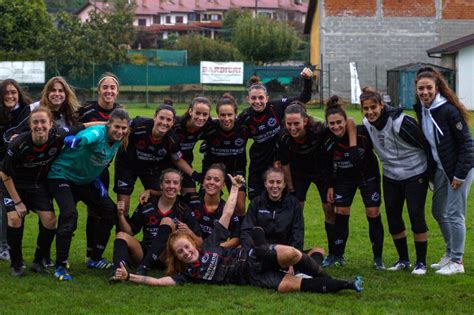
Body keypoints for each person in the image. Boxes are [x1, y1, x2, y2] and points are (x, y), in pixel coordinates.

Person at [112, 174, 363, 295]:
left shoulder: (208, 243)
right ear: (176, 258)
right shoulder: (185, 275)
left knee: (291, 253)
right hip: (250, 278)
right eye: (181, 252)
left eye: (187, 247)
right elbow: (156, 282)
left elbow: (227, 213)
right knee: (291, 286)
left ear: (192, 243)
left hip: (252, 258)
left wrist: (235, 188)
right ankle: (347, 285)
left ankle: (316, 268)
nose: (187, 252)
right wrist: (129, 277)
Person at [0, 107, 99, 276]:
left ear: (51, 124)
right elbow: (4, 174)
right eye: (35, 122)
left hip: (37, 185)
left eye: (43, 122)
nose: (40, 126)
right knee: (15, 219)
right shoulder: (18, 144)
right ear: (30, 125)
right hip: (13, 185)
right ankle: (16, 263)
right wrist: (18, 202)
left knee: (50, 220)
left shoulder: (58, 135)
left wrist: (110, 123)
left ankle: (39, 261)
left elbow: (84, 126)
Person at [47, 108, 130, 281]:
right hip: (61, 175)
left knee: (110, 211)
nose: (120, 131)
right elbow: (88, 137)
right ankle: (60, 266)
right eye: (117, 127)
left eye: (124, 128)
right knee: (69, 215)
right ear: (108, 125)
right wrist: (77, 140)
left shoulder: (118, 139)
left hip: (85, 181)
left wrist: (95, 179)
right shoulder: (98, 132)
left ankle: (95, 258)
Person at [360, 87, 429, 275]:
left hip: (415, 173)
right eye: (365, 108)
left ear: (382, 105)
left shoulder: (400, 122)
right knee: (393, 217)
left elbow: (425, 144)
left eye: (373, 107)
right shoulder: (366, 124)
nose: (370, 112)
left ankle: (421, 263)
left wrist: (431, 174)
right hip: (390, 175)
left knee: (416, 214)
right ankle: (403, 260)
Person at [277, 102, 356, 262]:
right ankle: (293, 250)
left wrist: (331, 184)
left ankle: (335, 254)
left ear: (305, 121)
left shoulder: (318, 130)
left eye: (296, 123)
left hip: (322, 172)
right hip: (299, 174)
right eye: (289, 123)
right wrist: (290, 187)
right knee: (296, 210)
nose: (292, 128)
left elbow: (350, 120)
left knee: (328, 208)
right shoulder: (284, 136)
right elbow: (285, 164)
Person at [413, 67, 474, 275]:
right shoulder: (421, 109)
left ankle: (457, 261)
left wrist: (459, 175)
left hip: (459, 169)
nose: (425, 92)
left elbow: (467, 145)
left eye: (429, 88)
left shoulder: (449, 110)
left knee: (455, 213)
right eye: (421, 88)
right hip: (441, 167)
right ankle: (449, 254)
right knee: (438, 210)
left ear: (437, 88)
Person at [323, 96, 385, 269]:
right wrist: (329, 185)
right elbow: (326, 165)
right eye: (332, 123)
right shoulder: (327, 140)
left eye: (339, 122)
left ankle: (378, 259)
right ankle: (338, 255)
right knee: (341, 212)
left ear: (345, 121)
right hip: (344, 178)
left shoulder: (362, 133)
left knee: (373, 212)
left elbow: (353, 122)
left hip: (368, 176)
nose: (336, 126)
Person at [238, 68, 313, 200]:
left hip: (280, 162)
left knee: (280, 201)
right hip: (258, 164)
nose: (257, 101)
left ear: (267, 98)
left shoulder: (276, 107)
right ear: (248, 99)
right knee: (255, 201)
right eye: (253, 98)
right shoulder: (245, 116)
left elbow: (304, 98)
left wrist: (308, 79)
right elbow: (230, 129)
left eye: (261, 97)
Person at [114, 104, 200, 216]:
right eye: (161, 118)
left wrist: (195, 175)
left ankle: (152, 229)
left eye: (168, 120)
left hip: (150, 169)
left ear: (173, 122)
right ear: (155, 116)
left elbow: (177, 160)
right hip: (126, 166)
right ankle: (122, 233)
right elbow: (115, 125)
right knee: (123, 207)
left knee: (159, 197)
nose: (164, 122)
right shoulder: (139, 124)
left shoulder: (173, 139)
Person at [117, 169, 202, 276]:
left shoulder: (184, 209)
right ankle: (117, 271)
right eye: (167, 182)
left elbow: (200, 242)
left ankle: (144, 267)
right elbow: (130, 232)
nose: (171, 186)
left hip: (166, 255)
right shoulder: (147, 204)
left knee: (167, 220)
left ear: (180, 188)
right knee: (121, 235)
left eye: (175, 183)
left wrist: (189, 231)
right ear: (161, 185)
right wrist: (120, 215)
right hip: (145, 251)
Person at [78, 72, 122, 262]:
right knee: (72, 211)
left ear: (117, 91)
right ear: (99, 90)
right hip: (79, 169)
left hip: (101, 169)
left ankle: (91, 253)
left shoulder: (120, 111)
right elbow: (76, 129)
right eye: (105, 87)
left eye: (112, 87)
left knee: (95, 211)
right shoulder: (86, 110)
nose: (109, 90)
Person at [0, 79, 33, 261]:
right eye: (6, 93)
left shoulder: (25, 111)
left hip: (17, 166)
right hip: (2, 164)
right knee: (4, 207)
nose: (10, 96)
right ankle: (3, 246)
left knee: (10, 207)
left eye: (13, 92)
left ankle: (6, 246)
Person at [201, 93, 249, 217]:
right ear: (217, 115)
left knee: (240, 207)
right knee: (206, 207)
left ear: (235, 114)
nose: (226, 118)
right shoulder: (210, 127)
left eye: (229, 115)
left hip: (236, 171)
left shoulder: (244, 128)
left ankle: (237, 235)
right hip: (213, 172)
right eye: (222, 115)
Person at [187, 163, 240, 247]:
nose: (211, 182)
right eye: (208, 179)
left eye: (217, 180)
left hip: (215, 254)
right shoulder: (190, 201)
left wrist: (217, 247)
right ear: (203, 182)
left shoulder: (227, 209)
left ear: (223, 185)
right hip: (191, 249)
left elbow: (236, 238)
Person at [173, 96, 212, 195]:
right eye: (197, 113)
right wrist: (195, 175)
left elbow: (225, 121)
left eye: (205, 114)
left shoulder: (208, 125)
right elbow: (175, 158)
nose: (201, 118)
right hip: (166, 164)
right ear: (190, 111)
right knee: (167, 195)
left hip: (186, 163)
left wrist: (208, 142)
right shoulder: (175, 125)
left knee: (191, 199)